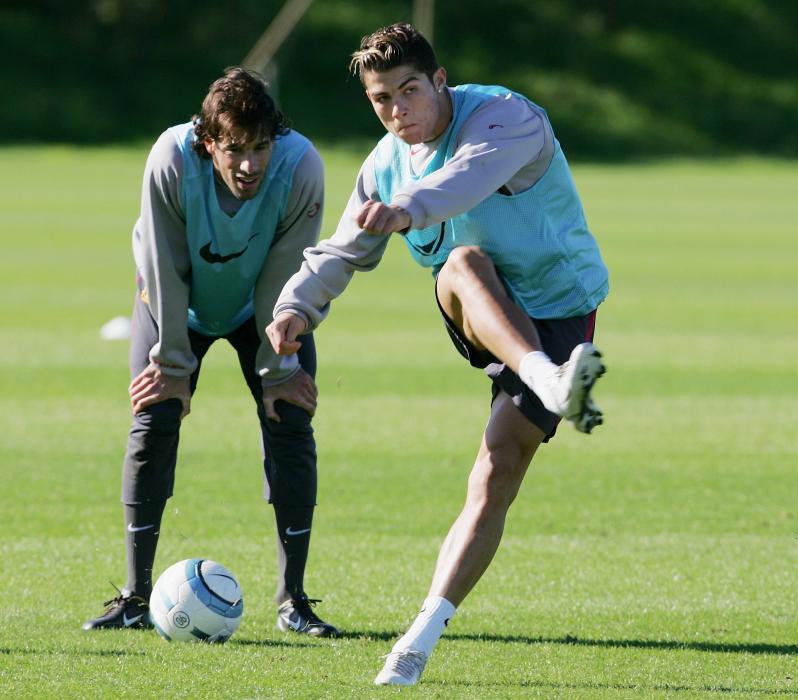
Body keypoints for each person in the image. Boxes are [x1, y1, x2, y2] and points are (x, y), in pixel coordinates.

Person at [266, 23, 609, 684]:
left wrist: (406, 209)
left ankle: (418, 639)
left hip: (562, 308)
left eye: (410, 90)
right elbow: (341, 249)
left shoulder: (508, 118)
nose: (398, 110)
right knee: (461, 261)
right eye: (381, 98)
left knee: (496, 471)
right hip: (483, 313)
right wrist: (293, 307)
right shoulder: (384, 164)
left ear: (441, 81)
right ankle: (550, 379)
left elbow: (466, 179)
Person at [82, 67, 339, 638]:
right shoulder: (171, 160)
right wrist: (173, 364)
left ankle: (293, 602)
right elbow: (162, 267)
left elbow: (289, 274)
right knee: (153, 419)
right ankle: (134, 596)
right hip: (176, 302)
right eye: (235, 149)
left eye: (261, 147)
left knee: (290, 415)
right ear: (208, 143)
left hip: (264, 307)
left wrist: (279, 370)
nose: (251, 165)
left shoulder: (301, 168)